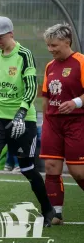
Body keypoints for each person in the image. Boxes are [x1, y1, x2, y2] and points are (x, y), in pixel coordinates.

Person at [0, 16, 54, 226]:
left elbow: (31, 87)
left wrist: (21, 113)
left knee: (28, 168)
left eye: (0, 37)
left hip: (23, 119)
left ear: (11, 33)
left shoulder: (24, 55)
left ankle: (48, 210)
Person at [40, 23, 84, 225]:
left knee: (78, 171)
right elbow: (46, 96)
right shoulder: (50, 66)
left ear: (67, 42)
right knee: (50, 167)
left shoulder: (81, 62)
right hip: (53, 123)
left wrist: (76, 102)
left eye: (54, 45)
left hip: (77, 122)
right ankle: (55, 213)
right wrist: (46, 120)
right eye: (48, 45)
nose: (50, 49)